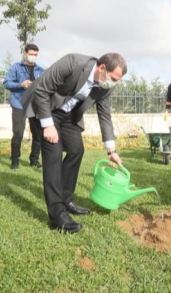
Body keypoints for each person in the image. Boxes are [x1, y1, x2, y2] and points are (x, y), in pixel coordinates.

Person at [22, 53, 127, 234]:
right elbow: (41, 90)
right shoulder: (72, 63)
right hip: (44, 106)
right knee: (53, 153)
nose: (114, 83)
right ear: (102, 68)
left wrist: (111, 150)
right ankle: (57, 215)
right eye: (113, 78)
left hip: (68, 114)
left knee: (76, 150)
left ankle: (66, 199)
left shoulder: (106, 86)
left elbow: (105, 115)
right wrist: (47, 125)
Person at [3, 44, 44, 170]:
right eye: (31, 54)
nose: (33, 57)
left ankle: (34, 160)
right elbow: (6, 83)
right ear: (25, 53)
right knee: (18, 133)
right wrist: (20, 85)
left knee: (38, 134)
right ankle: (15, 160)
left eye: (35, 55)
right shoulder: (15, 67)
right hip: (19, 104)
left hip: (35, 104)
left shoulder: (41, 70)